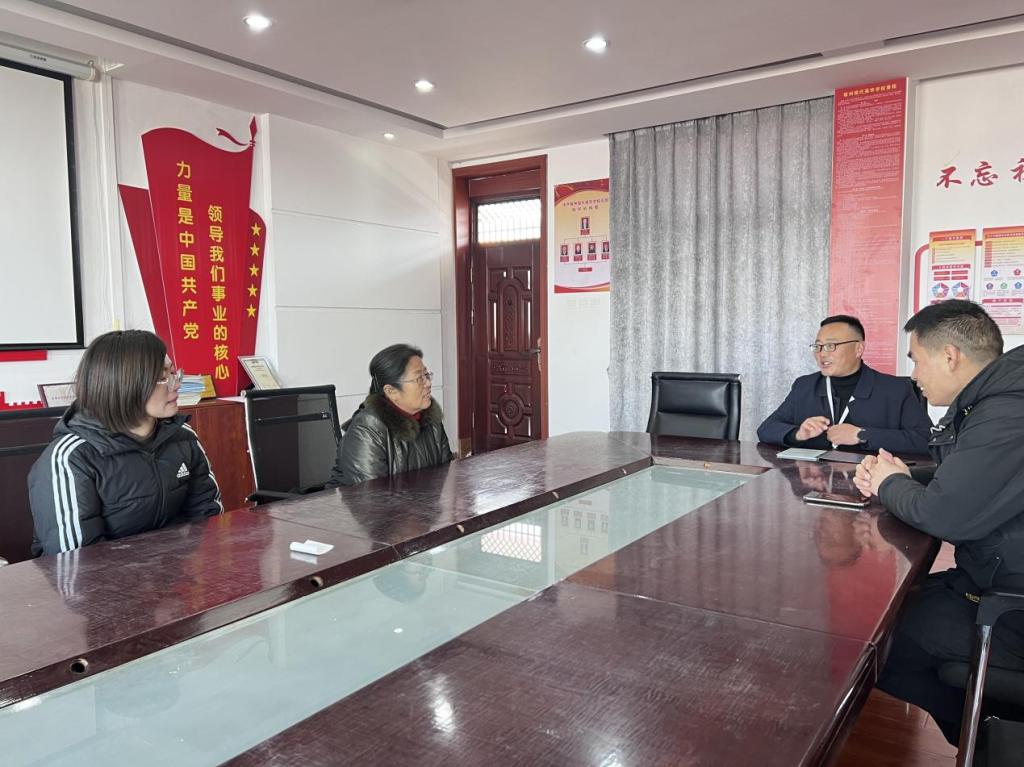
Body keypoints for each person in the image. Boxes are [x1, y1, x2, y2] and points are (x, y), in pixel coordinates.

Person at [853, 300, 1024, 744]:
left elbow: (943, 515)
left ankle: (986, 738)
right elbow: (974, 476)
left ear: (949, 356)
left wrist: (889, 483)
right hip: (993, 579)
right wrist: (905, 477)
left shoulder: (1008, 412)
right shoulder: (997, 401)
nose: (914, 375)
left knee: (868, 641)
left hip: (1010, 608)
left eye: (915, 359)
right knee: (889, 607)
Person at [28, 330, 223, 556]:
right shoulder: (71, 458)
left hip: (172, 571)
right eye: (163, 378)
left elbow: (208, 517)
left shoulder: (181, 436)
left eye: (174, 373)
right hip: (102, 577)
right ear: (123, 385)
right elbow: (76, 560)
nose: (176, 384)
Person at [757, 314, 932, 454]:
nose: (822, 354)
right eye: (818, 347)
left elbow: (926, 440)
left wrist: (862, 435)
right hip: (814, 480)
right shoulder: (805, 386)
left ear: (858, 349)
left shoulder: (895, 390)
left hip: (870, 481)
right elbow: (766, 429)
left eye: (831, 346)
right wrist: (798, 434)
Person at [327, 343, 453, 487]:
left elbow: (445, 476)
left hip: (420, 500)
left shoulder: (431, 419)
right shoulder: (368, 428)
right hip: (362, 501)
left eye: (426, 375)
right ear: (391, 391)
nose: (428, 383)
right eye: (419, 378)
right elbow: (372, 495)